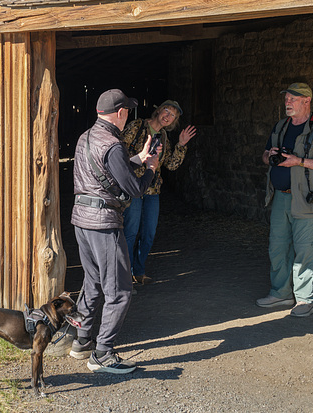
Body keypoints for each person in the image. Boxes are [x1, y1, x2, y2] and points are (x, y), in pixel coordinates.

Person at [69, 88, 159, 373]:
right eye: (127, 111)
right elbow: (132, 188)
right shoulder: (113, 143)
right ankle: (103, 353)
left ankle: (82, 342)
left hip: (81, 220)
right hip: (103, 223)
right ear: (120, 113)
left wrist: (139, 158)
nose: (128, 116)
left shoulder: (87, 137)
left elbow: (107, 169)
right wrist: (152, 169)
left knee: (93, 282)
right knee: (119, 290)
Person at [256, 82, 313, 317]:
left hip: (306, 199)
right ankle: (280, 293)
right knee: (278, 247)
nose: (288, 102)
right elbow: (264, 155)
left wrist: (299, 161)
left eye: (293, 99)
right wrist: (268, 155)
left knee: (305, 249)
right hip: (281, 198)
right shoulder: (280, 127)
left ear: (307, 101)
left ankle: (305, 300)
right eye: (286, 99)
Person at [121, 100, 197, 284]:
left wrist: (181, 144)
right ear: (158, 110)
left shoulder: (164, 137)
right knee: (130, 232)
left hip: (152, 190)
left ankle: (138, 271)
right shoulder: (137, 126)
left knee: (149, 233)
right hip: (134, 186)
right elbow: (119, 150)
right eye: (166, 111)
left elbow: (171, 165)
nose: (168, 116)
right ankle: (124, 276)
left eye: (172, 116)